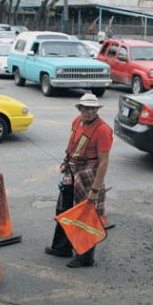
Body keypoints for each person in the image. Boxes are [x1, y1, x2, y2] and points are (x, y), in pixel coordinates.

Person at [45, 92, 113, 268]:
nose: (89, 112)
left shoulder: (103, 130)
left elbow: (103, 162)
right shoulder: (77, 121)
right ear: (80, 108)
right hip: (72, 170)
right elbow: (72, 145)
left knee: (85, 216)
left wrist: (95, 190)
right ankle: (62, 248)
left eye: (93, 108)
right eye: (86, 108)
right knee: (64, 210)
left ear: (97, 109)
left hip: (88, 175)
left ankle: (85, 258)